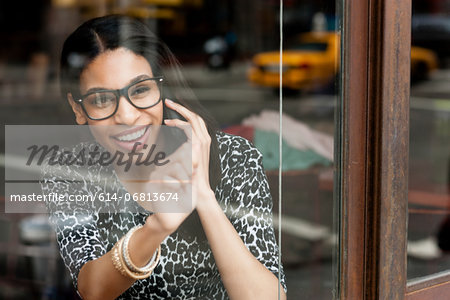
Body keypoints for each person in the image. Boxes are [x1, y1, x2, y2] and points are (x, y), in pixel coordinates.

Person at [41, 14, 286, 299]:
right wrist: (157, 227)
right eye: (102, 100)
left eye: (141, 90)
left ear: (161, 86)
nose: (128, 116)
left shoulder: (233, 157)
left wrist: (203, 196)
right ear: (78, 108)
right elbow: (93, 290)